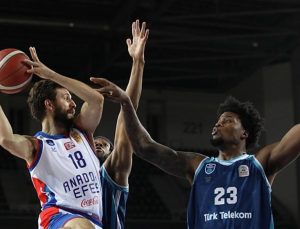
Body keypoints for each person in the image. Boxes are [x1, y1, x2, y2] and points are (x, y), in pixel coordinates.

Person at [91, 78, 300, 229]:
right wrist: (126, 103)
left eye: (227, 121)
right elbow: (144, 146)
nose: (218, 124)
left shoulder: (259, 164)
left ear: (244, 133)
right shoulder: (197, 165)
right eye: (217, 121)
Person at [0, 47, 104, 229]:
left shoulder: (82, 132)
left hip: (94, 220)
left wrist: (51, 75)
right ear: (49, 104)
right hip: (58, 216)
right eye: (66, 98)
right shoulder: (37, 146)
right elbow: (6, 139)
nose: (73, 103)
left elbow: (96, 100)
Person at [92, 19, 149, 229]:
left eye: (103, 144)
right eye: (94, 142)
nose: (97, 144)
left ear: (112, 152)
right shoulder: (75, 174)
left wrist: (137, 63)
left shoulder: (112, 172)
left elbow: (125, 123)